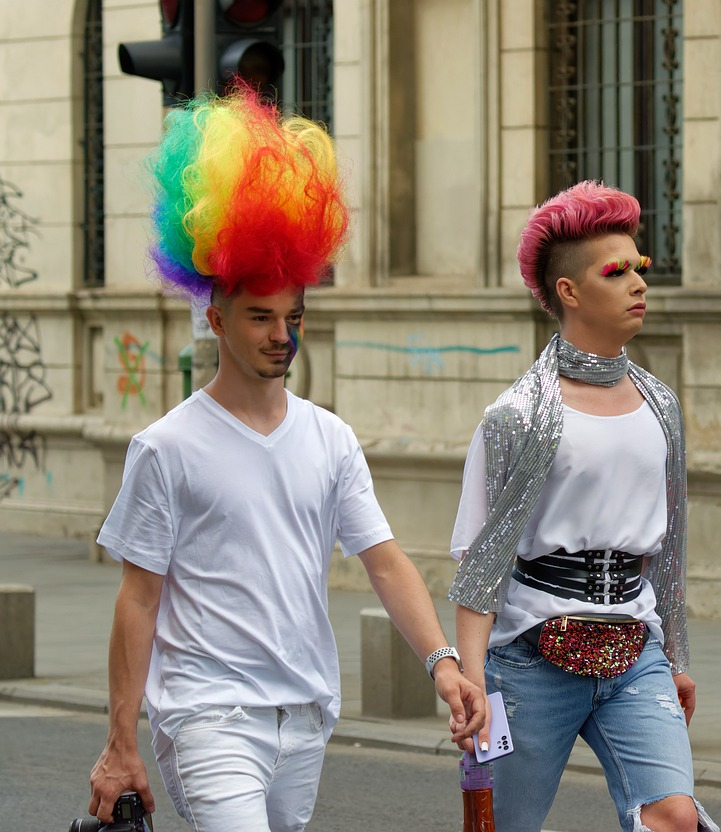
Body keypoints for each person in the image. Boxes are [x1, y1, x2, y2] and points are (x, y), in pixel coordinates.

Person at [87, 87, 485, 830]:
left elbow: (386, 561)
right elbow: (137, 599)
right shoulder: (166, 448)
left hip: (304, 715)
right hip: (208, 715)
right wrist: (120, 744)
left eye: (293, 317)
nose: (281, 335)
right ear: (216, 319)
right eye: (261, 317)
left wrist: (444, 664)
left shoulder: (329, 437)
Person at [448, 180, 718, 832]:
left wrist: (676, 658)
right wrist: (473, 681)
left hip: (636, 657)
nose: (637, 284)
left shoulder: (662, 405)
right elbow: (481, 566)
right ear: (569, 292)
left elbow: (671, 549)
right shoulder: (517, 416)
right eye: (615, 271)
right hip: (530, 661)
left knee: (674, 817)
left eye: (639, 268)